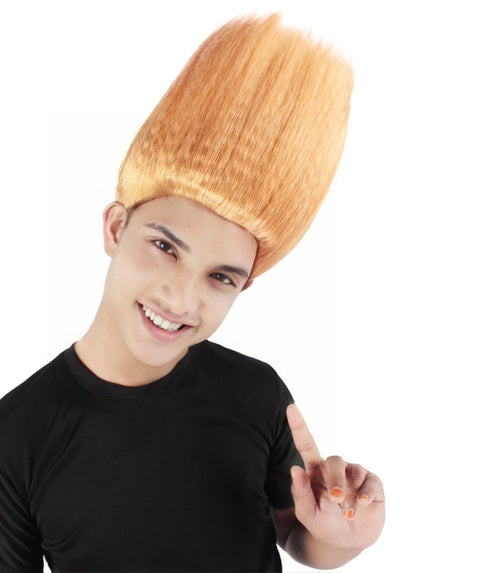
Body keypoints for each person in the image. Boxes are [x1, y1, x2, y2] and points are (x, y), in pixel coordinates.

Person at [0, 13, 385, 572]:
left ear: (243, 286)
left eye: (220, 277)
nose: (181, 299)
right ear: (115, 228)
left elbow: (295, 533)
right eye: (165, 247)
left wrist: (343, 539)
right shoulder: (18, 435)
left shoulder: (256, 391)